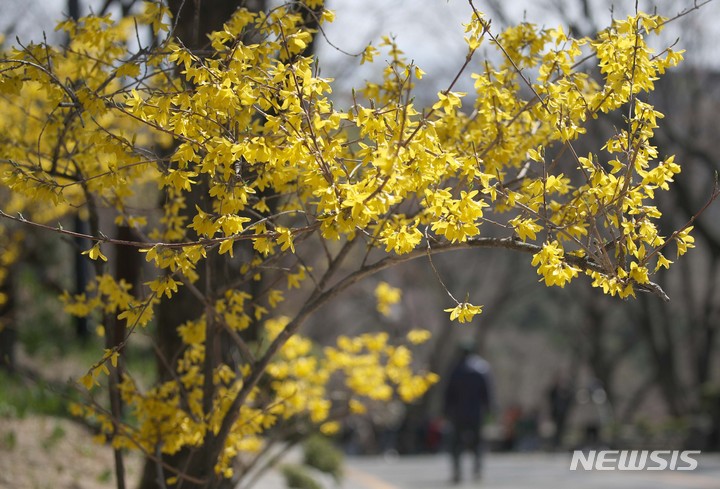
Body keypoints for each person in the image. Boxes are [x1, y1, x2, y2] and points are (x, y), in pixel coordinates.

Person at [443, 342, 494, 484]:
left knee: (456, 444)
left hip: (458, 413)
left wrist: (445, 411)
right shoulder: (482, 368)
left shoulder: (456, 369)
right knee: (477, 443)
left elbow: (448, 393)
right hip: (476, 412)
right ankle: (477, 471)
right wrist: (489, 410)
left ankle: (457, 473)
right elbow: (487, 392)